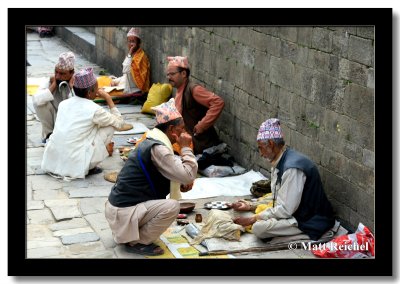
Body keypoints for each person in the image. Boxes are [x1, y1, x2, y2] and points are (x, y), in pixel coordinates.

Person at [105, 98, 198, 256]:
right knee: (172, 207)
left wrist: (178, 182)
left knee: (168, 204)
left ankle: (131, 233)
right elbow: (188, 175)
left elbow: (168, 173)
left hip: (119, 210)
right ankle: (138, 242)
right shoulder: (159, 148)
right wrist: (185, 148)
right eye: (181, 129)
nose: (184, 133)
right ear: (171, 129)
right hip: (122, 214)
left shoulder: (152, 140)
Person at [231, 118, 335, 241]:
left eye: (260, 148)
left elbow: (285, 209)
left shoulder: (292, 169)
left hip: (310, 220)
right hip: (296, 212)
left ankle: (306, 235)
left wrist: (254, 218)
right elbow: (278, 196)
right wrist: (251, 205)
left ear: (270, 144)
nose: (261, 153)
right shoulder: (279, 161)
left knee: (259, 228)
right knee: (261, 221)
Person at [41, 67, 133, 179]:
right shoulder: (94, 109)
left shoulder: (63, 104)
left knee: (93, 125)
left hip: (52, 161)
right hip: (75, 164)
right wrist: (108, 99)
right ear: (90, 92)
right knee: (110, 126)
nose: (98, 90)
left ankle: (82, 161)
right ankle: (89, 167)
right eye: (96, 88)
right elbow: (119, 123)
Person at [166, 56, 225, 154]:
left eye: (172, 74)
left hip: (200, 142)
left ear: (183, 73)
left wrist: (202, 125)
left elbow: (218, 102)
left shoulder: (194, 89)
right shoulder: (180, 91)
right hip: (188, 138)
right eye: (168, 75)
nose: (169, 78)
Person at [32, 51, 75, 143]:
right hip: (54, 121)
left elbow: (78, 107)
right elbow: (36, 101)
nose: (58, 76)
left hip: (70, 126)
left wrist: (72, 88)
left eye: (62, 74)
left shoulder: (77, 83)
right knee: (40, 102)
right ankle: (49, 135)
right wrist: (53, 86)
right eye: (56, 72)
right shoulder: (51, 81)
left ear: (71, 73)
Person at [110, 27, 150, 96]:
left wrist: (130, 53)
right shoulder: (134, 54)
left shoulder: (140, 56)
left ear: (138, 43)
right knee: (110, 81)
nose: (131, 44)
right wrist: (116, 81)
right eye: (129, 41)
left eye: (133, 41)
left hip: (136, 88)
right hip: (129, 83)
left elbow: (125, 70)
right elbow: (126, 74)